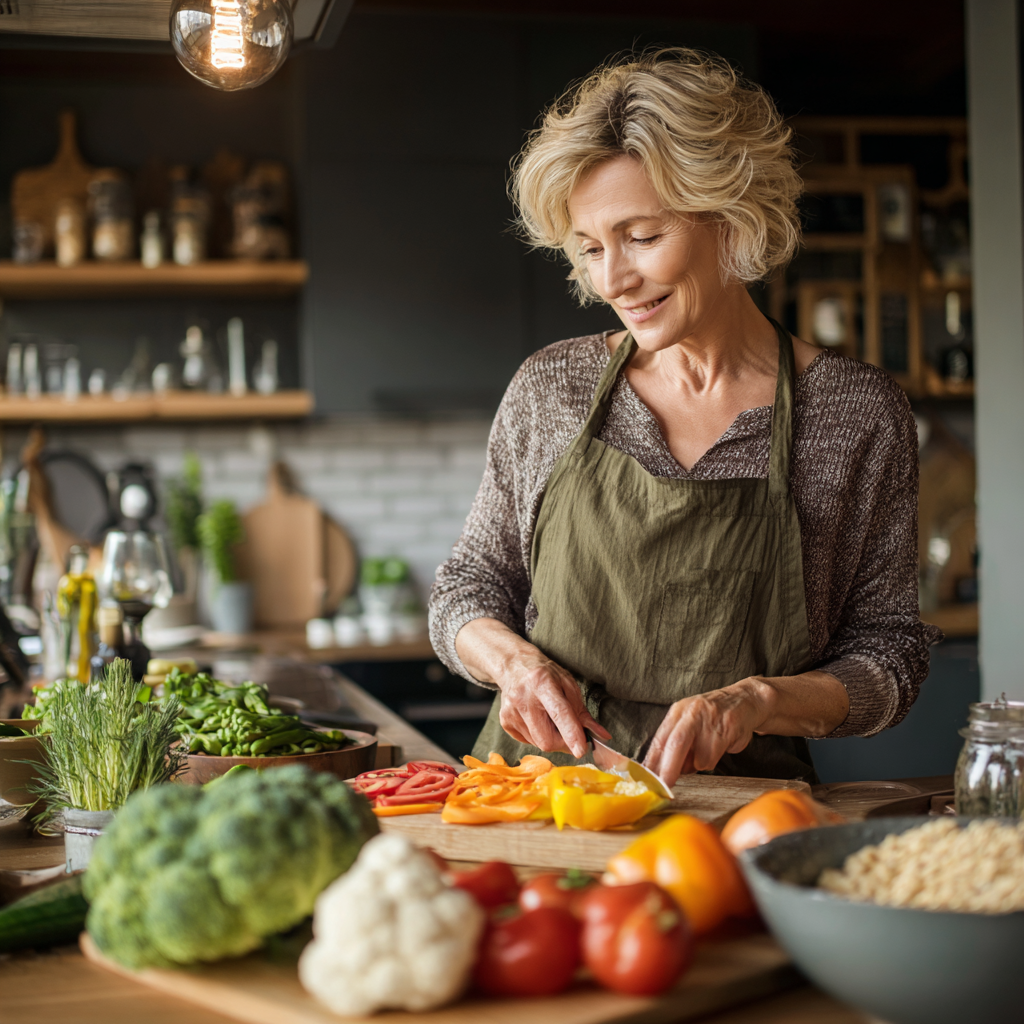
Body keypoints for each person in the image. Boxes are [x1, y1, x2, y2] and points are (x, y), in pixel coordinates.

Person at [428, 48, 941, 784]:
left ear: (731, 220)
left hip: (741, 817)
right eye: (591, 248)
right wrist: (514, 665)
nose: (614, 279)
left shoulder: (855, 416)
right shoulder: (551, 391)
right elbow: (466, 589)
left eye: (642, 237)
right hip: (538, 797)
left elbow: (889, 656)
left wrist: (757, 702)